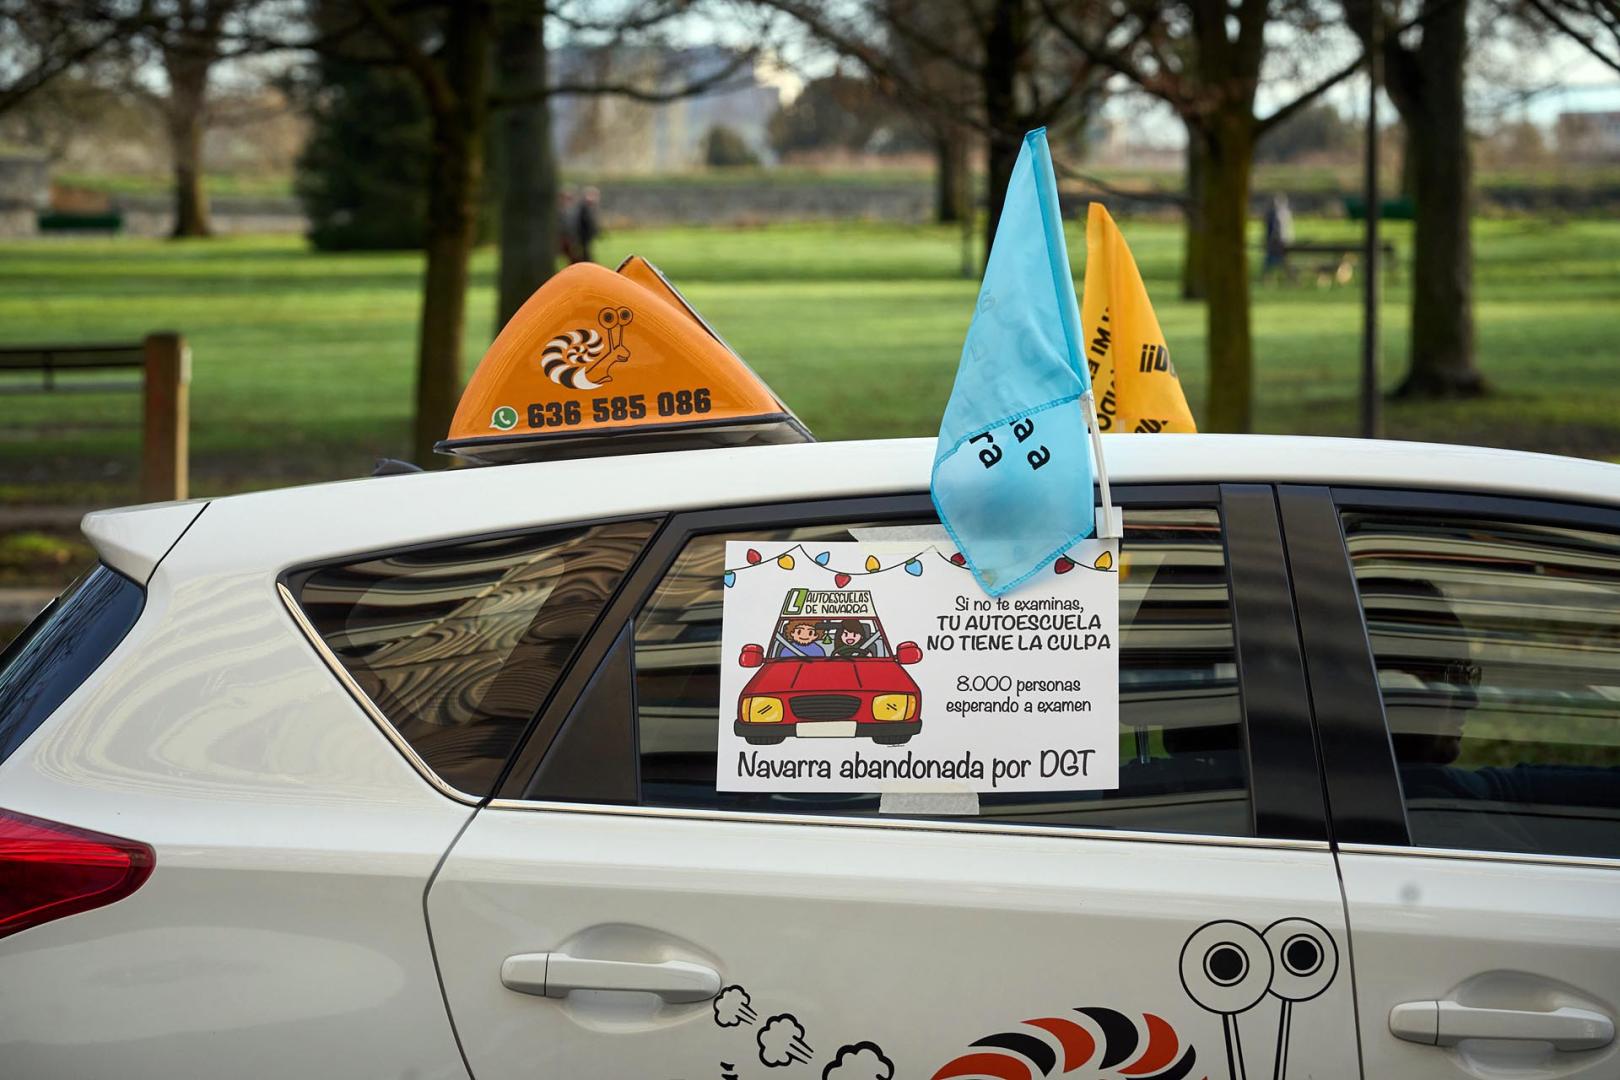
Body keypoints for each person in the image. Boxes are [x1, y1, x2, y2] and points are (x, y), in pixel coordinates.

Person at [1262, 194, 1293, 282]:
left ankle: (1267, 279)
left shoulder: (1275, 214)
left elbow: (1275, 230)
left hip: (1277, 243)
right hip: (1284, 242)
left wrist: (1270, 240)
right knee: (1283, 262)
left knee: (1270, 261)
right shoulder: (1286, 213)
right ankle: (1289, 279)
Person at [575, 186, 601, 264]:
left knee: (586, 249)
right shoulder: (583, 207)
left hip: (586, 234)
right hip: (582, 234)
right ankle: (586, 262)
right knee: (584, 250)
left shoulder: (587, 207)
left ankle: (587, 261)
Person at [558, 191, 579, 263]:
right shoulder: (560, 210)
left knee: (572, 255)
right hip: (563, 237)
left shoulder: (572, 209)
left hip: (571, 237)